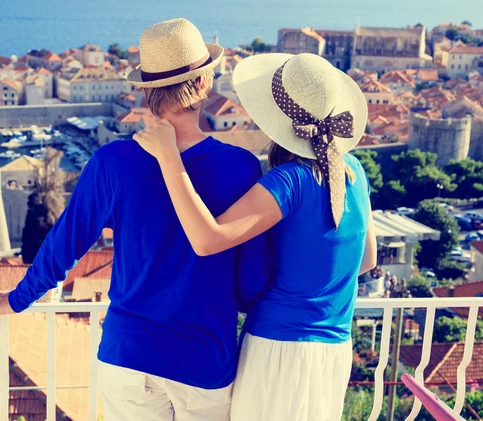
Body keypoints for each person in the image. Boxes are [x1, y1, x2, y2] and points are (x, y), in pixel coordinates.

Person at [0, 18, 268, 421]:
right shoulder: (241, 168)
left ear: (145, 92)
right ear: (205, 85)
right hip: (204, 359)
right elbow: (251, 283)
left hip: (128, 357)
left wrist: (16, 300)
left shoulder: (113, 162)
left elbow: (65, 243)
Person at [134, 53, 377, 420]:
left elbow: (207, 238)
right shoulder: (353, 171)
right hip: (335, 351)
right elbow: (368, 260)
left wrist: (170, 158)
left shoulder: (288, 182)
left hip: (278, 350)